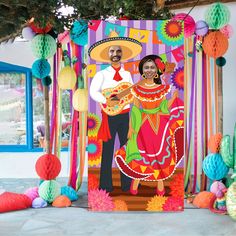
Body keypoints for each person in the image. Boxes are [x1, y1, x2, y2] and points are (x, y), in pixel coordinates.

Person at [114, 54, 184, 195]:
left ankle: (160, 183)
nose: (149, 70)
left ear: (157, 70)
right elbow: (135, 109)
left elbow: (164, 107)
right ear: (142, 70)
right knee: (142, 154)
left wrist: (174, 99)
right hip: (143, 125)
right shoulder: (137, 89)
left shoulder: (162, 89)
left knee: (159, 154)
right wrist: (131, 127)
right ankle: (136, 181)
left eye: (152, 67)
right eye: (146, 67)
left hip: (159, 124)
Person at [89, 32, 142, 192]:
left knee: (126, 149)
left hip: (125, 116)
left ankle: (127, 184)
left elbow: (130, 93)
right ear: (107, 54)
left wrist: (135, 96)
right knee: (107, 150)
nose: (115, 54)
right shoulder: (101, 75)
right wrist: (106, 100)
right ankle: (105, 185)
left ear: (122, 54)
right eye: (112, 51)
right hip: (109, 116)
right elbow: (93, 92)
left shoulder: (127, 75)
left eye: (118, 51)